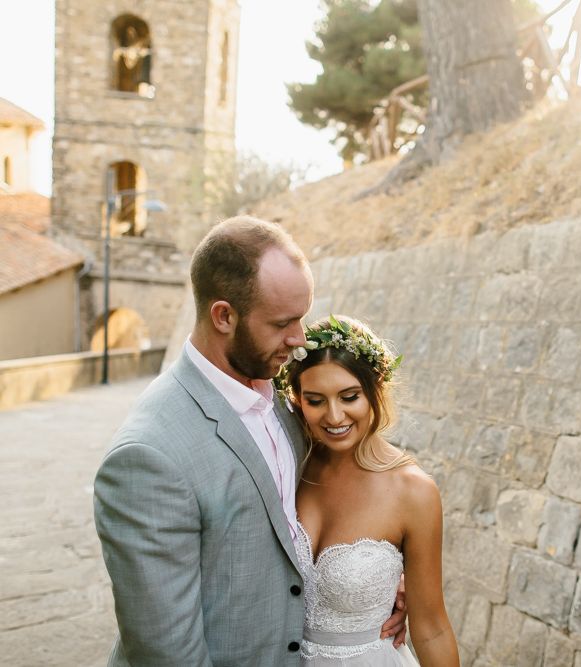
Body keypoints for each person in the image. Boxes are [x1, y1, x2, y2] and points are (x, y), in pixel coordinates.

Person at [93, 216, 405, 666]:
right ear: (224, 316)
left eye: (302, 317)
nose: (299, 340)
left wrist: (377, 584)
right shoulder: (147, 458)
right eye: (282, 323)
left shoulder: (283, 398)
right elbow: (166, 651)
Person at [281, 315, 460, 667]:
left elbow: (433, 628)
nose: (334, 416)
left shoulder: (413, 492)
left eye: (349, 397)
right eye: (315, 400)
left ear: (375, 391)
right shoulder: (287, 464)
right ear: (298, 399)